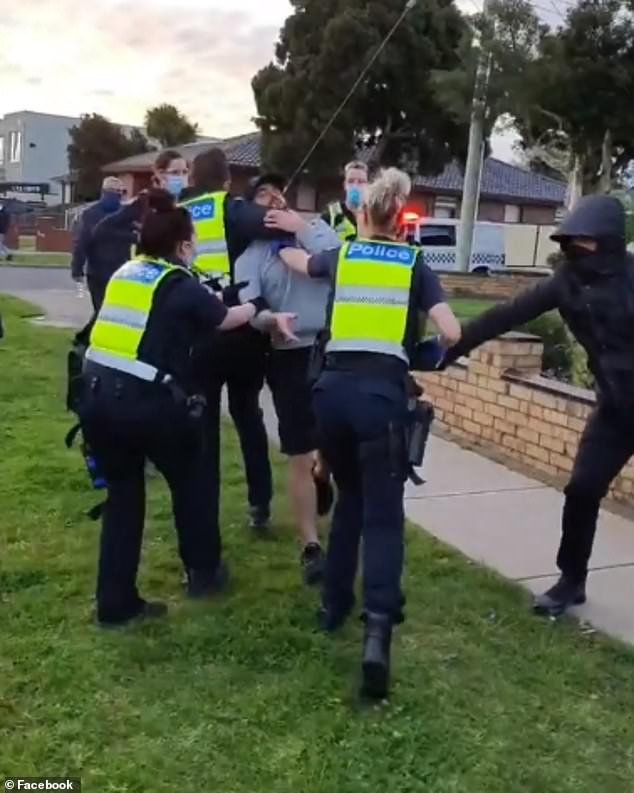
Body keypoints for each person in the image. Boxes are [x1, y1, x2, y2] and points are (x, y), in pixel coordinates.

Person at [278, 168, 461, 698]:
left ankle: (333, 606)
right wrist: (428, 352)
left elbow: (302, 262)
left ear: (363, 214)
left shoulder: (344, 255)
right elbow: (450, 330)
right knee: (383, 517)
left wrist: (282, 238)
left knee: (351, 501)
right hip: (381, 402)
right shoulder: (414, 263)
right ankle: (377, 631)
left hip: (329, 397)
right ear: (401, 218)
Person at [78, 188, 294, 628]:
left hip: (94, 396)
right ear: (181, 246)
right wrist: (258, 305)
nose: (195, 248)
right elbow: (225, 318)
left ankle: (115, 604)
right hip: (142, 403)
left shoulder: (127, 271)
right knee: (192, 480)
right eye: (192, 241)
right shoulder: (176, 281)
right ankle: (204, 572)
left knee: (124, 499)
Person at [441, 194, 634, 619]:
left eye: (586, 242)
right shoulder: (564, 282)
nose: (577, 251)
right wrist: (450, 350)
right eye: (573, 242)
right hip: (616, 411)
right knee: (582, 489)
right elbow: (503, 316)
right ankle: (571, 580)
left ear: (609, 242)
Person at [179, 149, 294, 534]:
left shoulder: (177, 212)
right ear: (227, 181)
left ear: (192, 177)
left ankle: (204, 517)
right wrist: (283, 209)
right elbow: (272, 224)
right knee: (248, 419)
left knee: (204, 432)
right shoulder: (229, 209)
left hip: (199, 335)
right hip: (242, 334)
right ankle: (259, 504)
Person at [236, 173, 338, 583]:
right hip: (289, 357)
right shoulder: (254, 252)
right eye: (262, 195)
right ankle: (311, 545)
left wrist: (303, 229)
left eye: (278, 192)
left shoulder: (315, 231)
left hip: (333, 350)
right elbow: (250, 303)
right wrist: (269, 320)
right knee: (299, 449)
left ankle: (324, 473)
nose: (273, 199)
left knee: (330, 439)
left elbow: (344, 263)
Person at [70, 177, 127, 313]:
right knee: (116, 310)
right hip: (116, 270)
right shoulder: (125, 214)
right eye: (116, 192)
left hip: (100, 271)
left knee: (101, 310)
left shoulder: (90, 214)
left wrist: (77, 269)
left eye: (119, 192)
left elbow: (81, 243)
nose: (117, 195)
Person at [322, 160, 369, 242]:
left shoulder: (375, 215)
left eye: (361, 182)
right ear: (345, 185)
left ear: (368, 186)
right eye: (351, 181)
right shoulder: (331, 213)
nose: (355, 186)